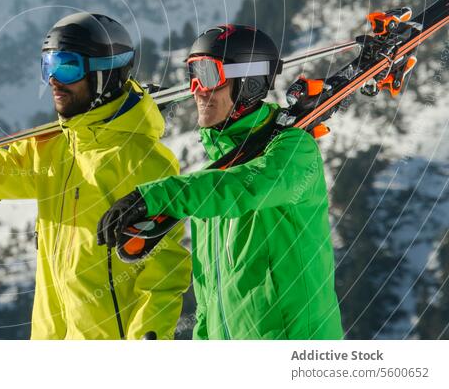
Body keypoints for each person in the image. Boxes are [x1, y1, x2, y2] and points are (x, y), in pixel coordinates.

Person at [0, 13, 191, 339]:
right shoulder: (54, 149)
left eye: (66, 66)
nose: (53, 80)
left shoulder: (141, 161)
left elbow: (162, 274)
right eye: (48, 66)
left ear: (104, 75)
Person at [98, 24, 343, 340]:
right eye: (193, 74)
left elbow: (245, 188)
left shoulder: (293, 151)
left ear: (249, 83)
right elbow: (208, 295)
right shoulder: (211, 177)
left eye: (209, 75)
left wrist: (155, 197)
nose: (197, 88)